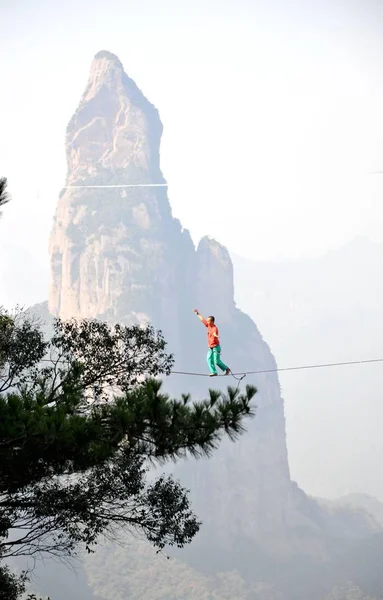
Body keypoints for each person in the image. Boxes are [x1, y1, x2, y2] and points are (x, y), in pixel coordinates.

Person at [193, 309, 231, 377]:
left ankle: (227, 369)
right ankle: (214, 372)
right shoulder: (208, 326)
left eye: (209, 321)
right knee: (208, 359)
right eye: (207, 321)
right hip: (210, 348)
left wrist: (215, 335)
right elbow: (203, 320)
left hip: (216, 347)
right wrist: (198, 314)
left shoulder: (214, 328)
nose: (207, 322)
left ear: (212, 321)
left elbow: (215, 333)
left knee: (217, 361)